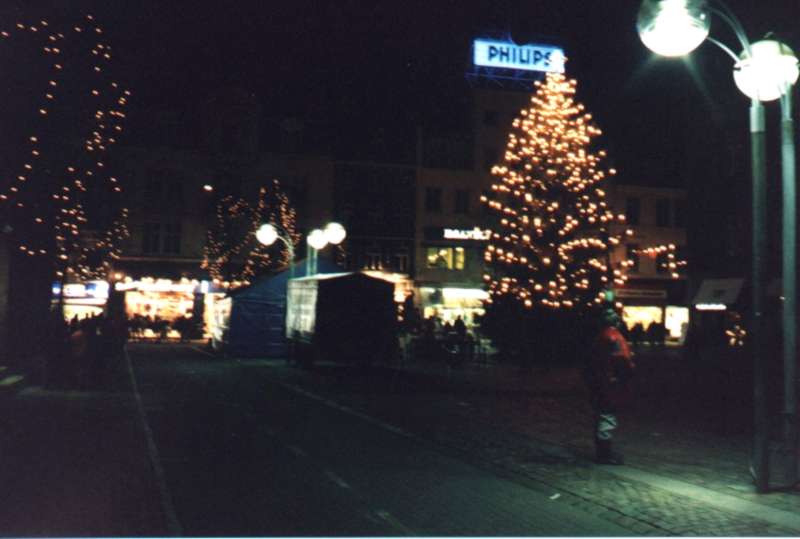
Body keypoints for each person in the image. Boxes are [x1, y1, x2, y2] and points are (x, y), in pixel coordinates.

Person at [584, 306, 636, 465]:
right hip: (611, 382)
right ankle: (604, 454)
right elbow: (622, 360)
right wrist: (629, 370)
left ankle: (603, 451)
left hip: (600, 380)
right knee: (607, 416)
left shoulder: (600, 336)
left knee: (601, 415)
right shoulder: (614, 336)